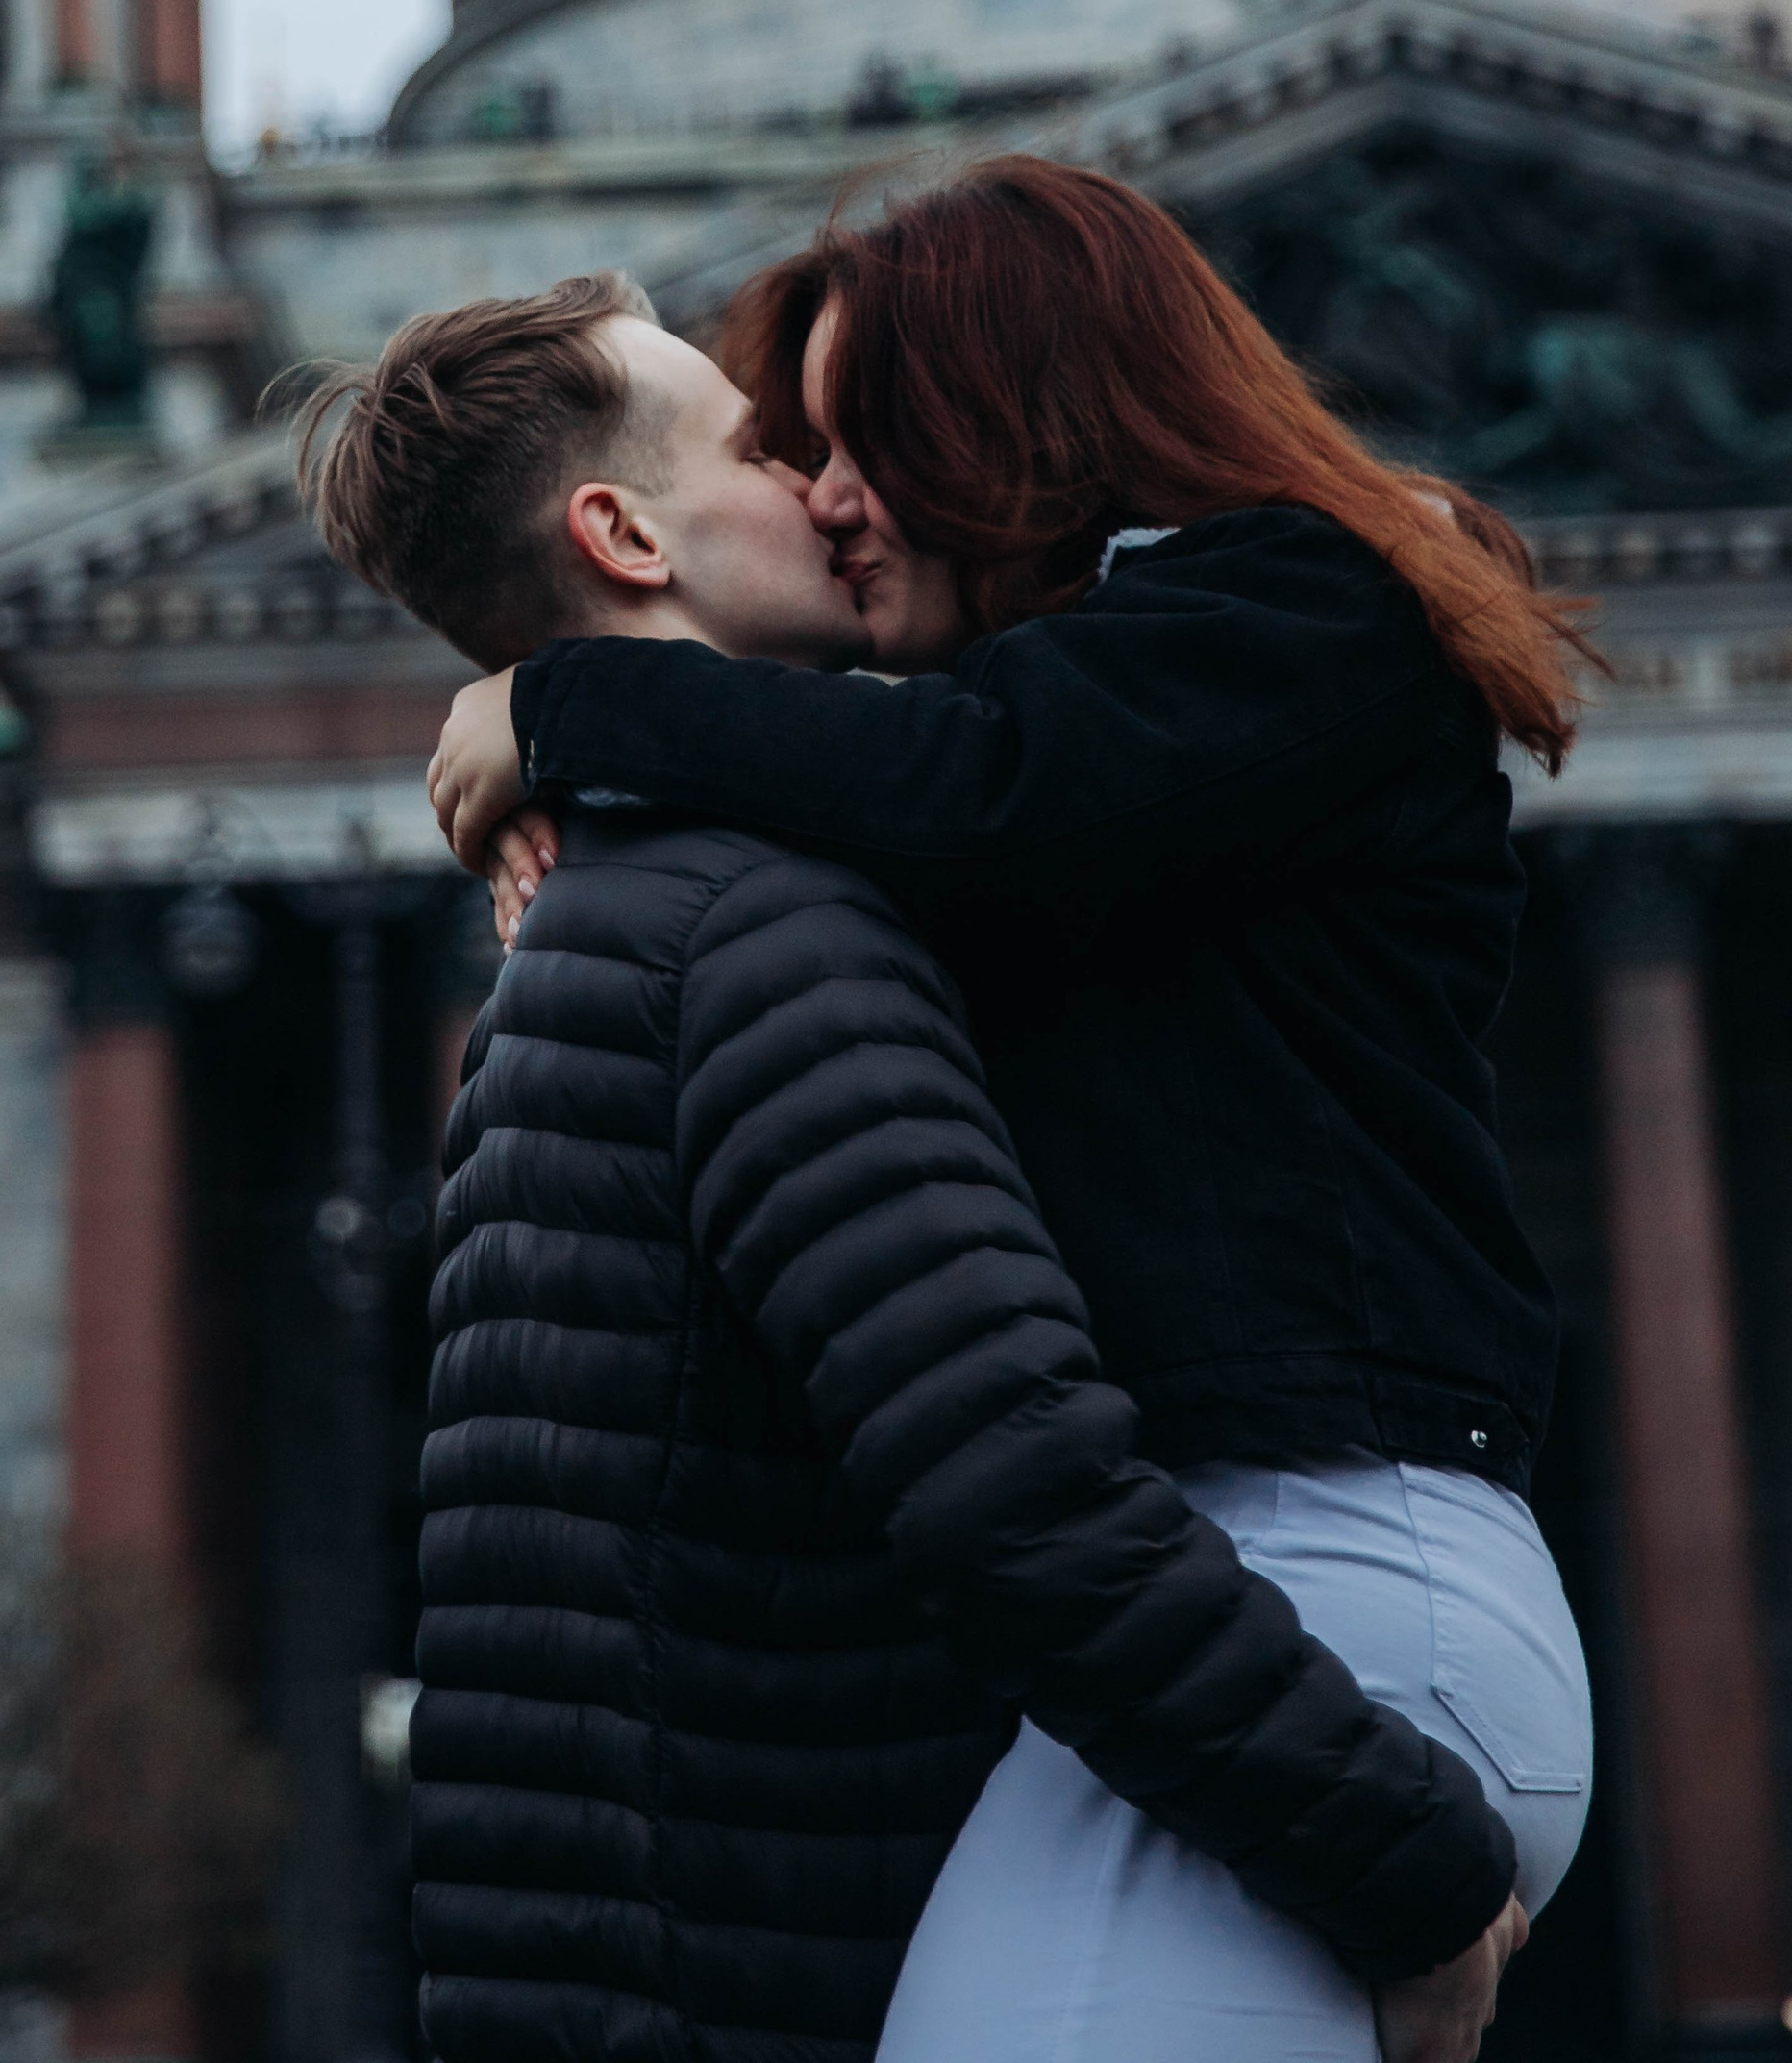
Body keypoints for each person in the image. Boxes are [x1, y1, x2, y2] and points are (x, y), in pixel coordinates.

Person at [427, 162, 1597, 2062]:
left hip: (1342, 1587)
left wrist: (560, 705)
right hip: (1233, 1609)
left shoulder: (1294, 598)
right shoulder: (1035, 717)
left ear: (1011, 419)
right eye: (790, 452)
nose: (823, 498)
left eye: (856, 440)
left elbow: (982, 781)